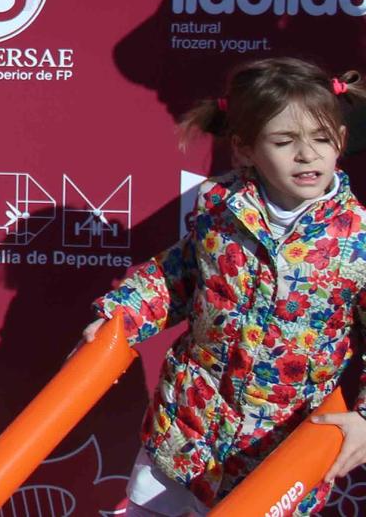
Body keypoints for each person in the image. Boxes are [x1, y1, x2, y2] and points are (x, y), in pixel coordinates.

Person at [85, 57, 366, 515]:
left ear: (341, 140)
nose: (307, 155)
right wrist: (121, 318)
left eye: (322, 139)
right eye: (284, 141)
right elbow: (179, 275)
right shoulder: (221, 205)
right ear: (245, 148)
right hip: (187, 431)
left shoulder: (357, 238)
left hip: (276, 451)